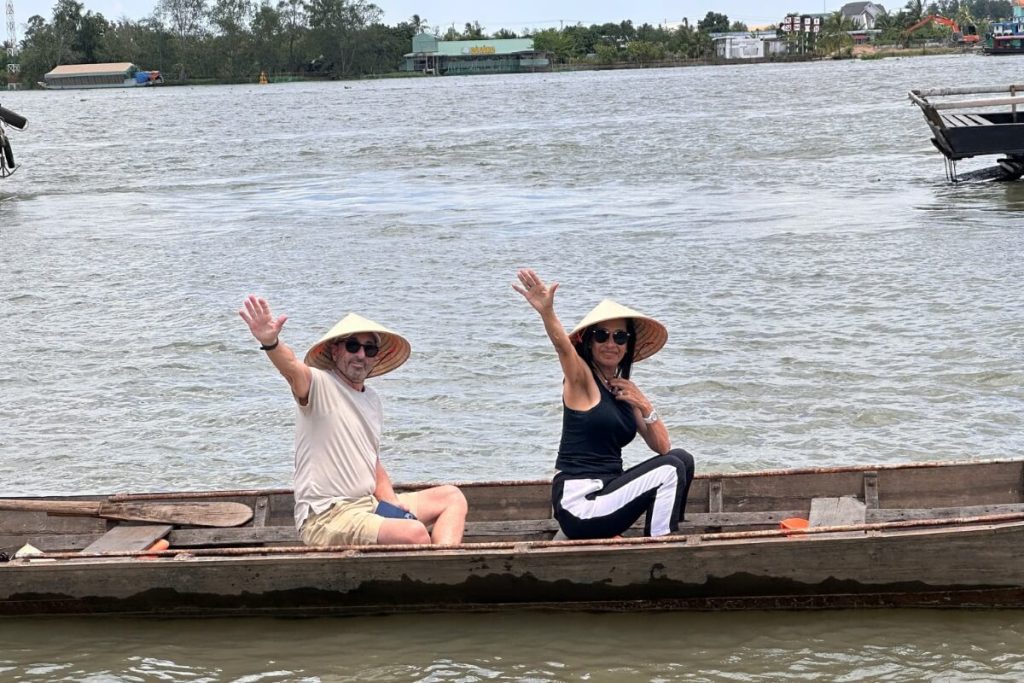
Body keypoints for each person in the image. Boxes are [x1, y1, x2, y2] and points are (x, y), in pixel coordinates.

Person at [239, 295, 467, 546]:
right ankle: (435, 566)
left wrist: (392, 502)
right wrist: (270, 342)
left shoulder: (372, 400)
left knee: (452, 498)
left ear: (375, 357)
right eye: (352, 346)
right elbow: (291, 367)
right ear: (335, 350)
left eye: (369, 349)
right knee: (414, 533)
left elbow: (371, 460)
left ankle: (442, 565)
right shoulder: (318, 384)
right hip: (327, 516)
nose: (361, 354)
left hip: (368, 504)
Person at [513, 269, 695, 539]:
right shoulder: (582, 381)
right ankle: (661, 546)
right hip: (579, 504)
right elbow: (564, 349)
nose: (611, 343)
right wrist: (547, 312)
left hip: (608, 493)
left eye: (620, 337)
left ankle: (661, 533)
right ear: (589, 342)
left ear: (627, 345)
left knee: (681, 460)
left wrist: (644, 404)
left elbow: (662, 447)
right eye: (602, 335)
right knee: (669, 469)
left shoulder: (624, 391)